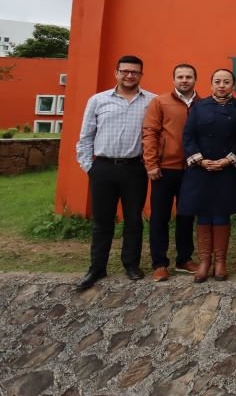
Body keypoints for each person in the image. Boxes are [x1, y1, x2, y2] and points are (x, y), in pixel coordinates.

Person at [75, 55, 156, 291]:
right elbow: (85, 137)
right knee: (102, 221)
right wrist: (89, 167)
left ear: (141, 74)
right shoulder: (98, 101)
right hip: (103, 168)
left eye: (135, 72)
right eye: (125, 71)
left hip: (134, 168)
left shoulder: (151, 101)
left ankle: (131, 264)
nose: (129, 75)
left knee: (133, 219)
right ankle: (97, 267)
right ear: (116, 72)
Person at [179, 69, 236, 282]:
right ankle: (205, 261)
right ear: (211, 84)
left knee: (221, 214)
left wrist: (229, 159)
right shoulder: (199, 107)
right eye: (217, 81)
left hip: (227, 169)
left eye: (226, 82)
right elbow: (188, 136)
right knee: (203, 214)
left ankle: (220, 262)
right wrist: (199, 160)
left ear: (233, 85)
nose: (222, 85)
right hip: (201, 169)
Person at [142, 63, 200, 282]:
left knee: (186, 216)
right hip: (164, 169)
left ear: (195, 79)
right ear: (173, 79)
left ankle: (184, 259)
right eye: (180, 76)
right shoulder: (160, 102)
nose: (184, 80)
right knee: (160, 217)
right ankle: (159, 263)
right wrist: (151, 163)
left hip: (192, 169)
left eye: (188, 76)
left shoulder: (201, 104)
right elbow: (150, 133)